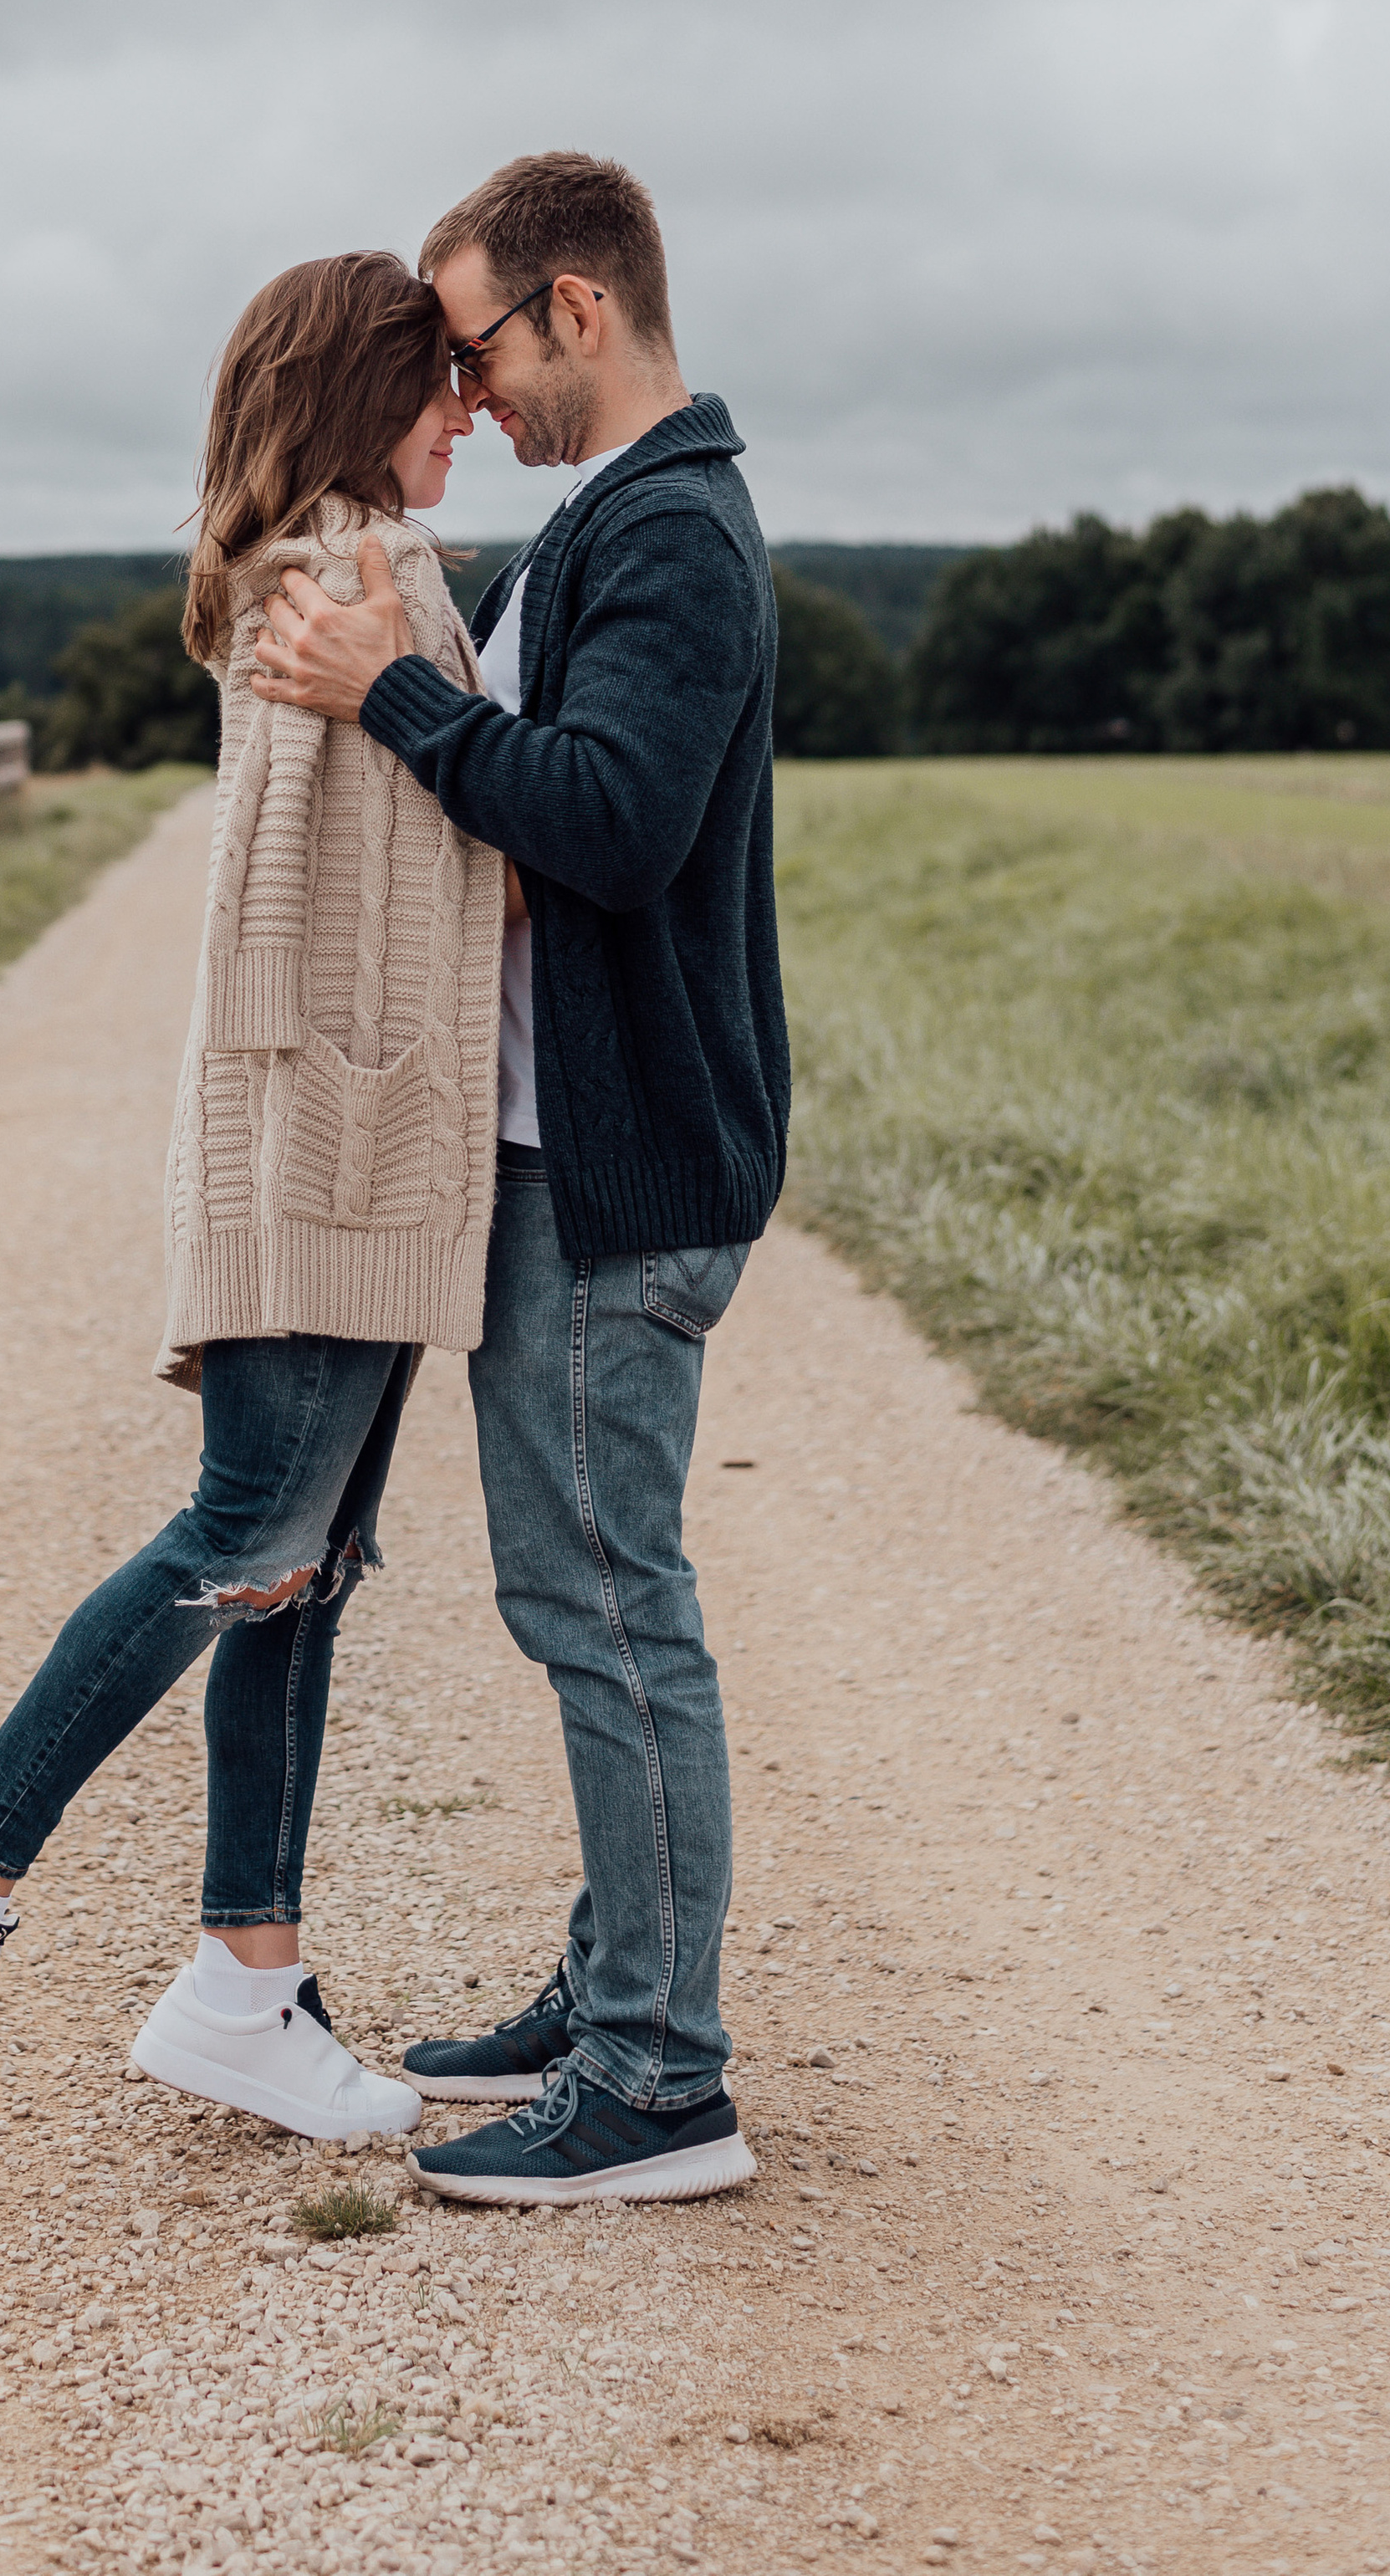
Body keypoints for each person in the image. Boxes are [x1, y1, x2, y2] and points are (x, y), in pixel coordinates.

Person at [0, 250, 506, 2141]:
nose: (466, 407)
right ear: (360, 388)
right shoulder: (339, 580)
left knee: (304, 1566)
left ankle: (244, 1983)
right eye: (439, 380)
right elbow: (289, 906)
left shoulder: (352, 575)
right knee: (243, 1533)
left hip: (359, 1150)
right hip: (329, 1147)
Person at [250, 151, 790, 2205]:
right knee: (576, 1589)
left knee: (607, 1606)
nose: (465, 394)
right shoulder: (610, 525)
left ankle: (661, 2083)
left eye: (476, 343)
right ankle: (609, 1983)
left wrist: (383, 696)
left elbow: (609, 821)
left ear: (576, 306)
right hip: (576, 1151)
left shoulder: (666, 535)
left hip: (624, 1163)